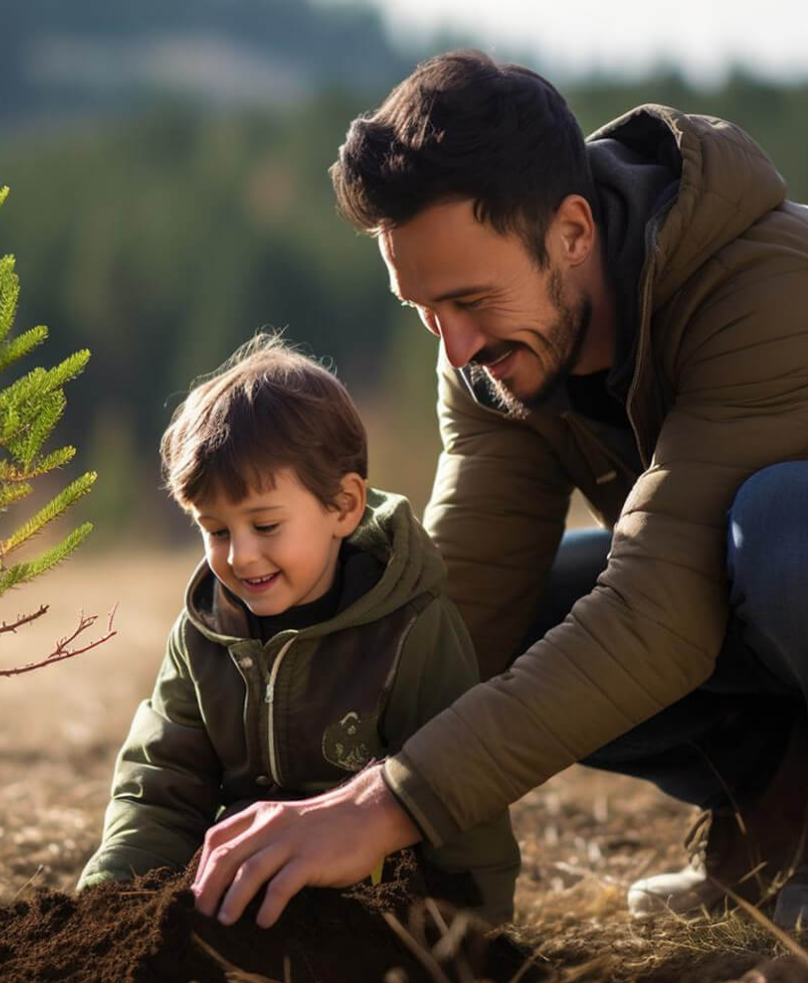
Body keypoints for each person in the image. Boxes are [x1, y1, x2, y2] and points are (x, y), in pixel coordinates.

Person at [191, 49, 808, 931]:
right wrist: (303, 800)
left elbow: (659, 612)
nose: (454, 348)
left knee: (775, 532)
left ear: (571, 231)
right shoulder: (495, 353)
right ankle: (778, 822)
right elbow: (464, 600)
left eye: (470, 301)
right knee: (532, 610)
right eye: (425, 310)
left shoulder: (767, 292)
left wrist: (386, 805)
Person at [77, 333, 521, 925]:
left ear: (343, 506)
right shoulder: (205, 633)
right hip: (247, 906)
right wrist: (112, 904)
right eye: (216, 531)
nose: (240, 556)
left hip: (375, 921)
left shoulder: (409, 627)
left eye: (265, 525)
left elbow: (460, 788)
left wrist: (474, 930)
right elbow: (161, 785)